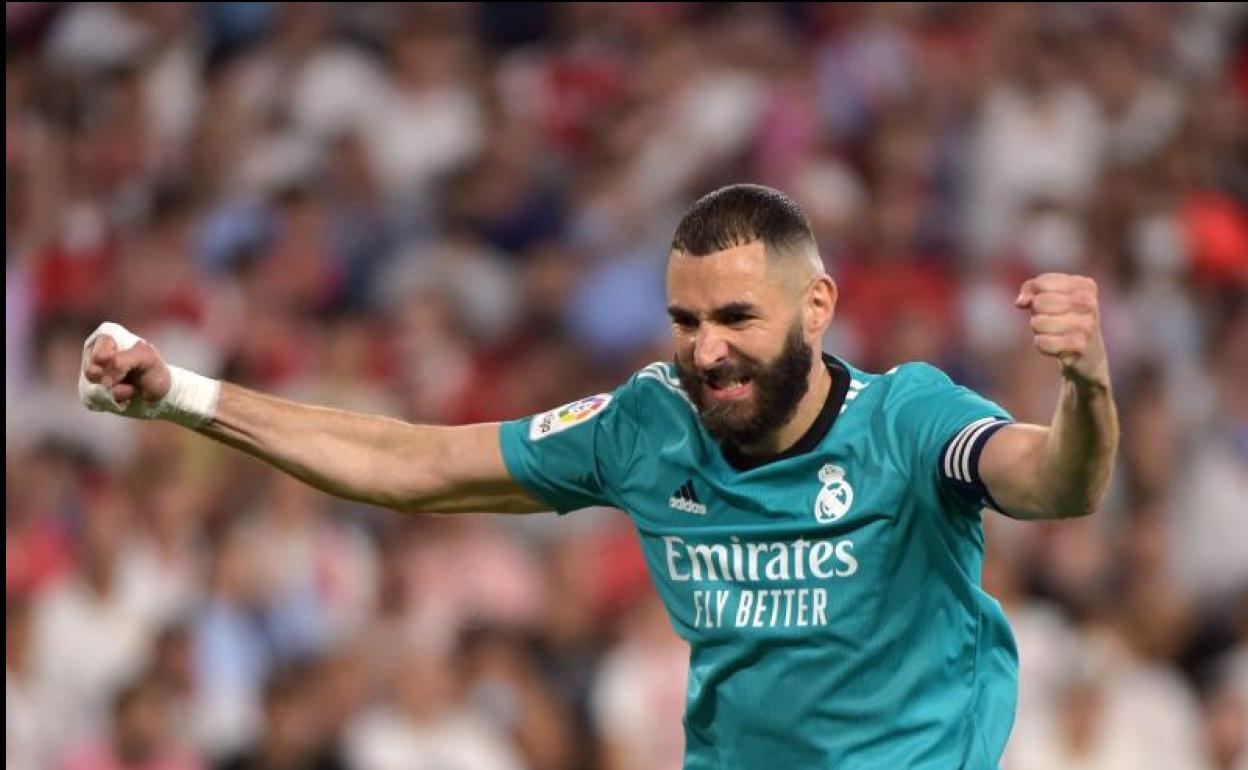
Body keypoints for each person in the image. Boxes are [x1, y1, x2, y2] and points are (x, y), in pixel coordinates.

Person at [79, 184, 1119, 769]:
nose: (705, 351)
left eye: (736, 318)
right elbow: (414, 462)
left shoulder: (908, 418)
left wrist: (1088, 391)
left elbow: (1053, 478)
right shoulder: (645, 423)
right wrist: (184, 394)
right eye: (685, 320)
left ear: (817, 307)